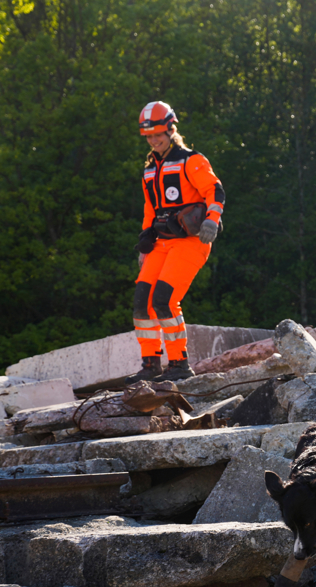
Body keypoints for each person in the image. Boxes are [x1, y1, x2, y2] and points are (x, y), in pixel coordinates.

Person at [126, 101, 225, 384]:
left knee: (165, 300)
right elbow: (150, 209)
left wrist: (212, 220)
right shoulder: (149, 169)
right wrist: (145, 243)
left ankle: (180, 364)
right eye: (149, 136)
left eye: (158, 134)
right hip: (162, 242)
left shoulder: (191, 160)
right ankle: (150, 365)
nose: (154, 140)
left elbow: (215, 190)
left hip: (191, 242)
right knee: (142, 302)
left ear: (171, 129)